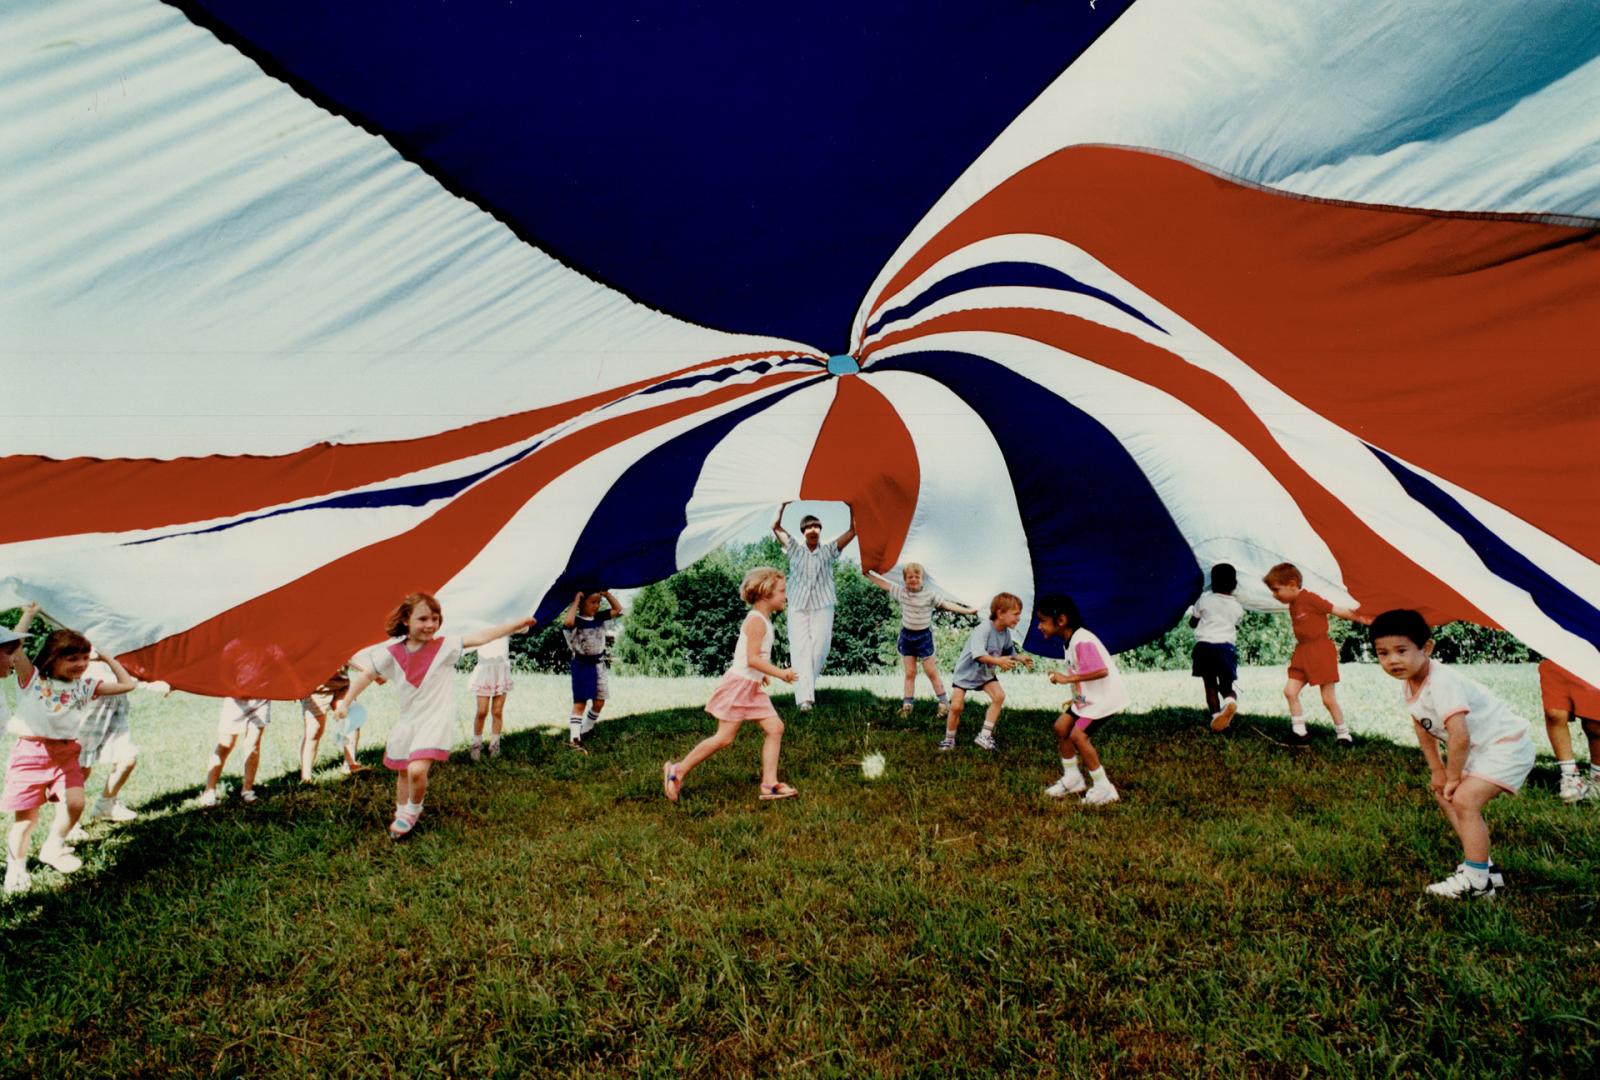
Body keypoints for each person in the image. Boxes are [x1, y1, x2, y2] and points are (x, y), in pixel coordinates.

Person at [336, 592, 533, 839]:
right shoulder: (393, 653)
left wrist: (514, 626)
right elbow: (366, 675)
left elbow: (480, 637)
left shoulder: (445, 646)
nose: (430, 624)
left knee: (417, 769)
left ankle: (412, 811)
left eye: (435, 618)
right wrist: (346, 701)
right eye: (423, 619)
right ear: (406, 620)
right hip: (408, 721)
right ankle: (401, 811)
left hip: (435, 720)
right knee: (403, 771)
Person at [1370, 609, 1534, 900]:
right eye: (1382, 653)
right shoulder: (1411, 683)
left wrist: (1454, 776)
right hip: (1481, 749)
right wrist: (1438, 771)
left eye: (1401, 650)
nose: (1392, 660)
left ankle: (1477, 883)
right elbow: (1422, 725)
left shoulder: (1442, 682)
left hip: (1507, 745)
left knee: (1463, 798)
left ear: (1427, 648)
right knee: (1444, 794)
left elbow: (1460, 735)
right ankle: (1483, 868)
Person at [4, 604, 136, 892]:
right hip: (31, 754)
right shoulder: (32, 679)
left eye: (84, 659)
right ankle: (15, 868)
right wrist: (28, 614)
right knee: (26, 821)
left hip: (65, 753)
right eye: (72, 658)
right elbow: (14, 646)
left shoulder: (85, 686)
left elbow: (128, 685)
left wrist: (106, 657)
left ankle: (53, 846)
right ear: (53, 658)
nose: (80, 664)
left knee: (75, 802)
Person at [662, 567, 799, 803]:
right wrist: (780, 674)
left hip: (752, 686)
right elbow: (752, 658)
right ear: (766, 593)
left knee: (775, 728)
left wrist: (761, 675)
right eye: (782, 591)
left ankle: (769, 784)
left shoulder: (763, 619)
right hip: (739, 687)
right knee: (724, 738)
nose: (785, 596)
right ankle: (677, 771)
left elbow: (754, 658)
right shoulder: (756, 620)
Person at [1035, 594, 1131, 805]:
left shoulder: (1082, 640)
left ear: (1061, 620)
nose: (1039, 626)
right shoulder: (1069, 640)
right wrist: (1075, 699)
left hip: (1103, 701)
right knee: (1062, 727)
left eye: (1042, 621)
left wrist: (1067, 679)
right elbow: (1084, 672)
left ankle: (1104, 788)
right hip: (1088, 701)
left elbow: (1100, 670)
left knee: (1078, 736)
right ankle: (1073, 779)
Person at [1262, 563, 1368, 743]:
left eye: (1276, 589)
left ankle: (1343, 735)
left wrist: (1364, 619)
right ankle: (1300, 733)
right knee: (1290, 691)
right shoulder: (1292, 604)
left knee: (1328, 698)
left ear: (1292, 583)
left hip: (1320, 651)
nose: (1274, 595)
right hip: (1302, 652)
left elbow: (1336, 610)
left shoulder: (1310, 598)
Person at [772, 502, 856, 711]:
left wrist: (852, 506)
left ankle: (807, 685)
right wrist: (782, 504)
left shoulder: (828, 551)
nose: (813, 530)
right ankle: (805, 699)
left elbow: (854, 530)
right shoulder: (794, 549)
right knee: (800, 650)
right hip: (798, 605)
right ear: (803, 531)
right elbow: (775, 526)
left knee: (819, 648)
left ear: (820, 531)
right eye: (809, 527)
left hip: (823, 604)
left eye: (816, 526)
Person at [866, 564, 977, 717]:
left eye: (916, 577)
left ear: (922, 579)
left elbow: (946, 605)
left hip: (924, 638)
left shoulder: (929, 595)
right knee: (910, 673)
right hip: (907, 637)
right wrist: (868, 574)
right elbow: (885, 584)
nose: (913, 579)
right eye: (910, 577)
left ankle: (944, 703)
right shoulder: (902, 592)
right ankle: (907, 705)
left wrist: (968, 610)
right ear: (905, 580)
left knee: (931, 672)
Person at [942, 592, 1032, 752]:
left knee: (999, 696)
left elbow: (1008, 652)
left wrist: (1019, 658)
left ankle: (984, 735)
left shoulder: (1005, 632)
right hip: (966, 673)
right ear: (1000, 613)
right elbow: (979, 655)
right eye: (1016, 614)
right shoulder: (984, 628)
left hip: (984, 674)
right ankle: (949, 739)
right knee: (956, 707)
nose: (1018, 618)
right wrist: (998, 661)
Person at [562, 589, 624, 750]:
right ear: (582, 604)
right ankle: (574, 738)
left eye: (598, 602)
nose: (596, 606)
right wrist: (576, 601)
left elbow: (618, 610)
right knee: (580, 703)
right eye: (593, 602)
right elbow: (568, 623)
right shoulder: (576, 621)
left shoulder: (599, 617)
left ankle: (587, 729)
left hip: (599, 665)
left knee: (599, 702)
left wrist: (607, 595)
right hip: (582, 665)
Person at [1189, 564, 1245, 732]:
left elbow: (1192, 623)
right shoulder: (1237, 607)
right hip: (1226, 648)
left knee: (1210, 685)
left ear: (1212, 582)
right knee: (1226, 686)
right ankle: (1230, 702)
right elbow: (1236, 625)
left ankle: (1216, 717)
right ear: (1234, 584)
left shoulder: (1205, 599)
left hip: (1204, 647)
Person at [1538, 660, 1600, 803]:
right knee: (1554, 713)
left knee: (1595, 724)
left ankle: (1597, 779)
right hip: (1558, 656)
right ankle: (1569, 776)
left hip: (1591, 658)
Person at [201, 697, 272, 806]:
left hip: (261, 700)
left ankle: (247, 790)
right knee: (225, 745)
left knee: (253, 745)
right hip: (236, 699)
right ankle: (209, 791)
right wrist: (172, 683)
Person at [299, 665, 352, 782]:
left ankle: (350, 765)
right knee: (314, 731)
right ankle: (306, 778)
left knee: (351, 720)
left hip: (342, 684)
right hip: (315, 689)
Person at [467, 633, 513, 761]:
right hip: (485, 672)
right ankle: (476, 745)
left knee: (497, 712)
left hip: (501, 671)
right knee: (482, 712)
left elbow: (523, 627)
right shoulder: (480, 626)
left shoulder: (506, 625)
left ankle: (494, 745)